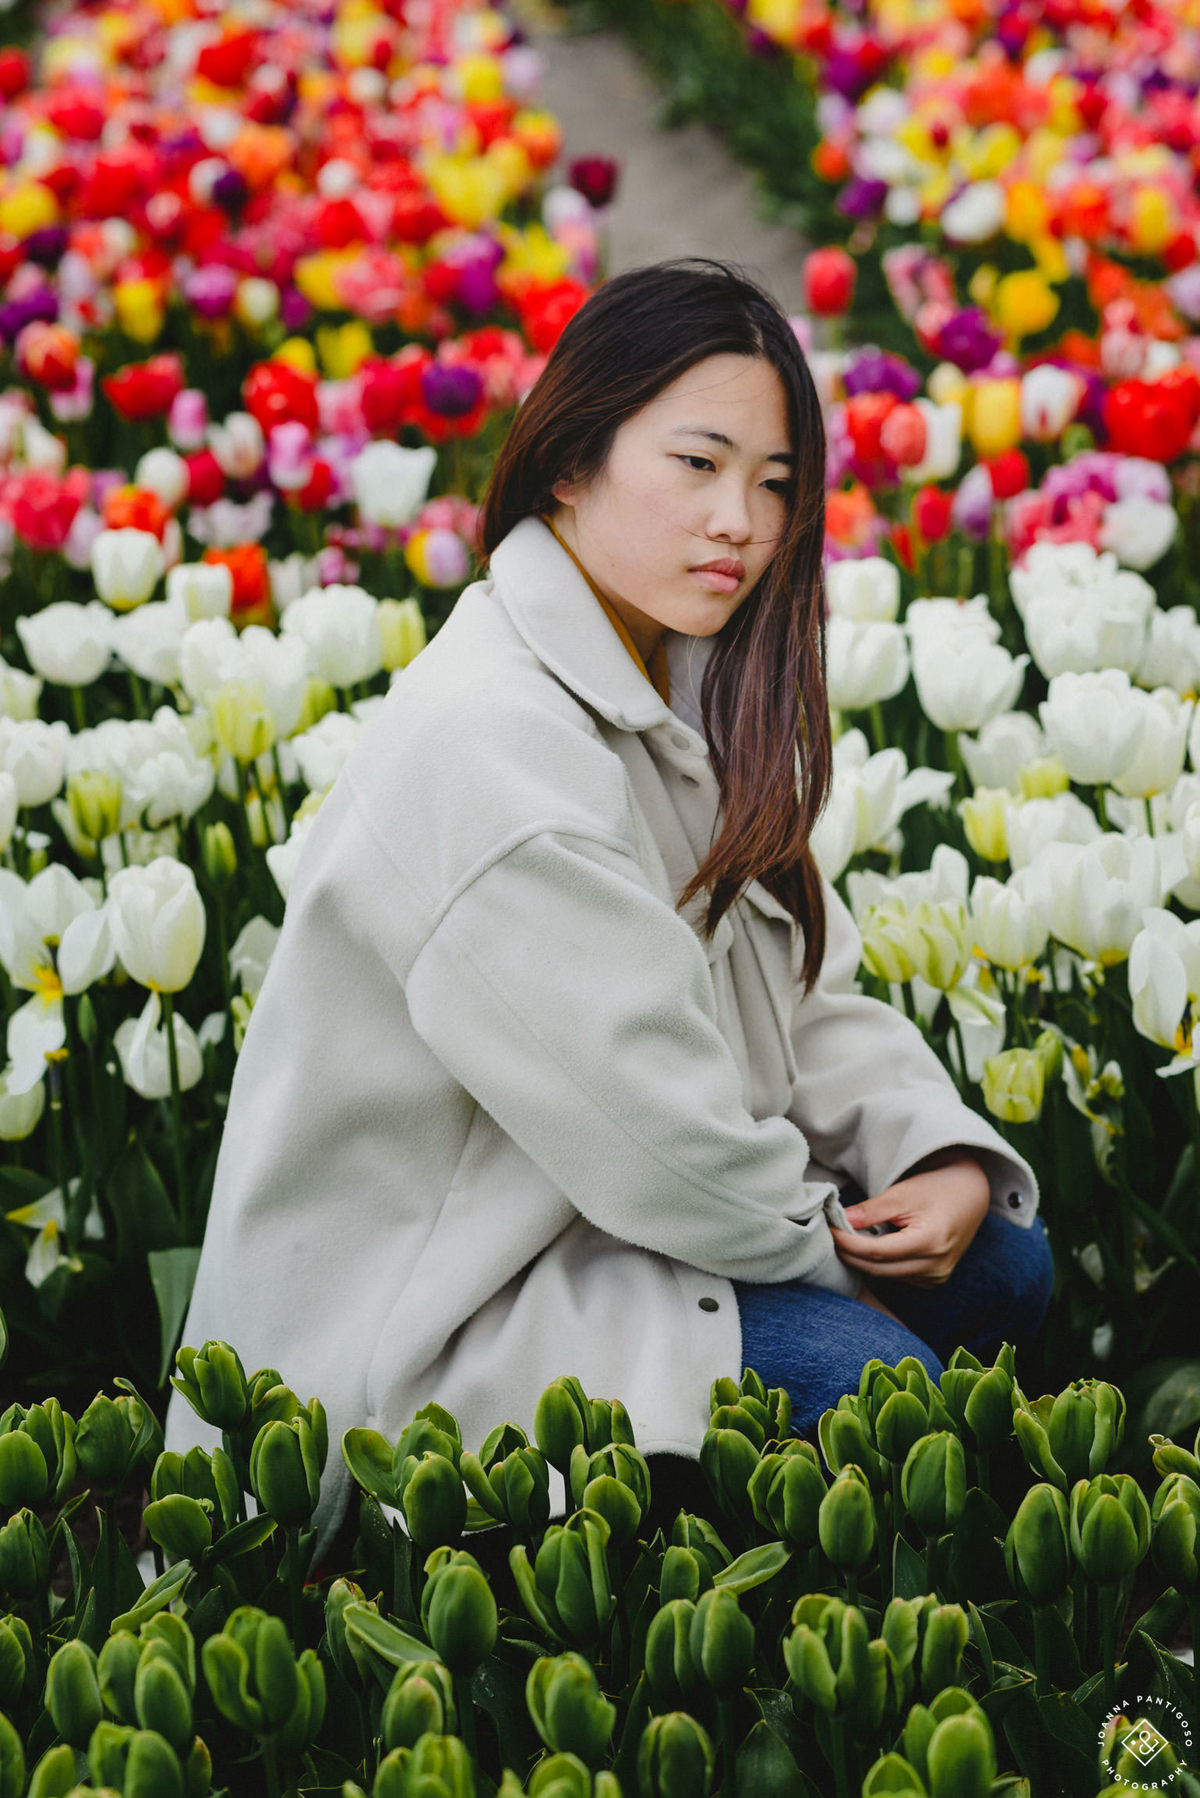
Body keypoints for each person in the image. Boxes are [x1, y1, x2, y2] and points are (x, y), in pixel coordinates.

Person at [168, 260, 1052, 1529]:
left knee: (1001, 1264)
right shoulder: (494, 748)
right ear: (570, 461)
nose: (740, 521)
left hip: (599, 1239)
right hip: (425, 1329)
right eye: (698, 464)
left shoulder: (674, 679)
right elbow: (664, 1149)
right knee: (880, 1389)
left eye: (774, 481)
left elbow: (804, 990)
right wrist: (841, 1257)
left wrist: (936, 1151)